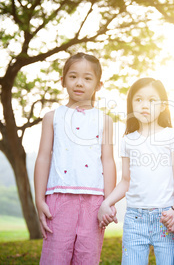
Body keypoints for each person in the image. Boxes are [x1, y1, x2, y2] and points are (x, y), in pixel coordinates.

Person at [34, 52, 116, 264]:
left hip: (94, 200)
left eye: (88, 78)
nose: (79, 83)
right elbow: (43, 157)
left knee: (87, 257)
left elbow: (108, 161)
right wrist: (39, 199)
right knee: (55, 256)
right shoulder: (52, 117)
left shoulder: (104, 120)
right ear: (63, 81)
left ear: (98, 85)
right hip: (59, 197)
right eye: (73, 76)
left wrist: (109, 200)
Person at [98, 77, 174, 265]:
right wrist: (107, 202)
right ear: (131, 104)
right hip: (135, 219)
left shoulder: (172, 136)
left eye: (152, 100)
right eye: (138, 99)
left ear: (163, 106)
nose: (144, 105)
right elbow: (126, 181)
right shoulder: (128, 140)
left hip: (166, 217)